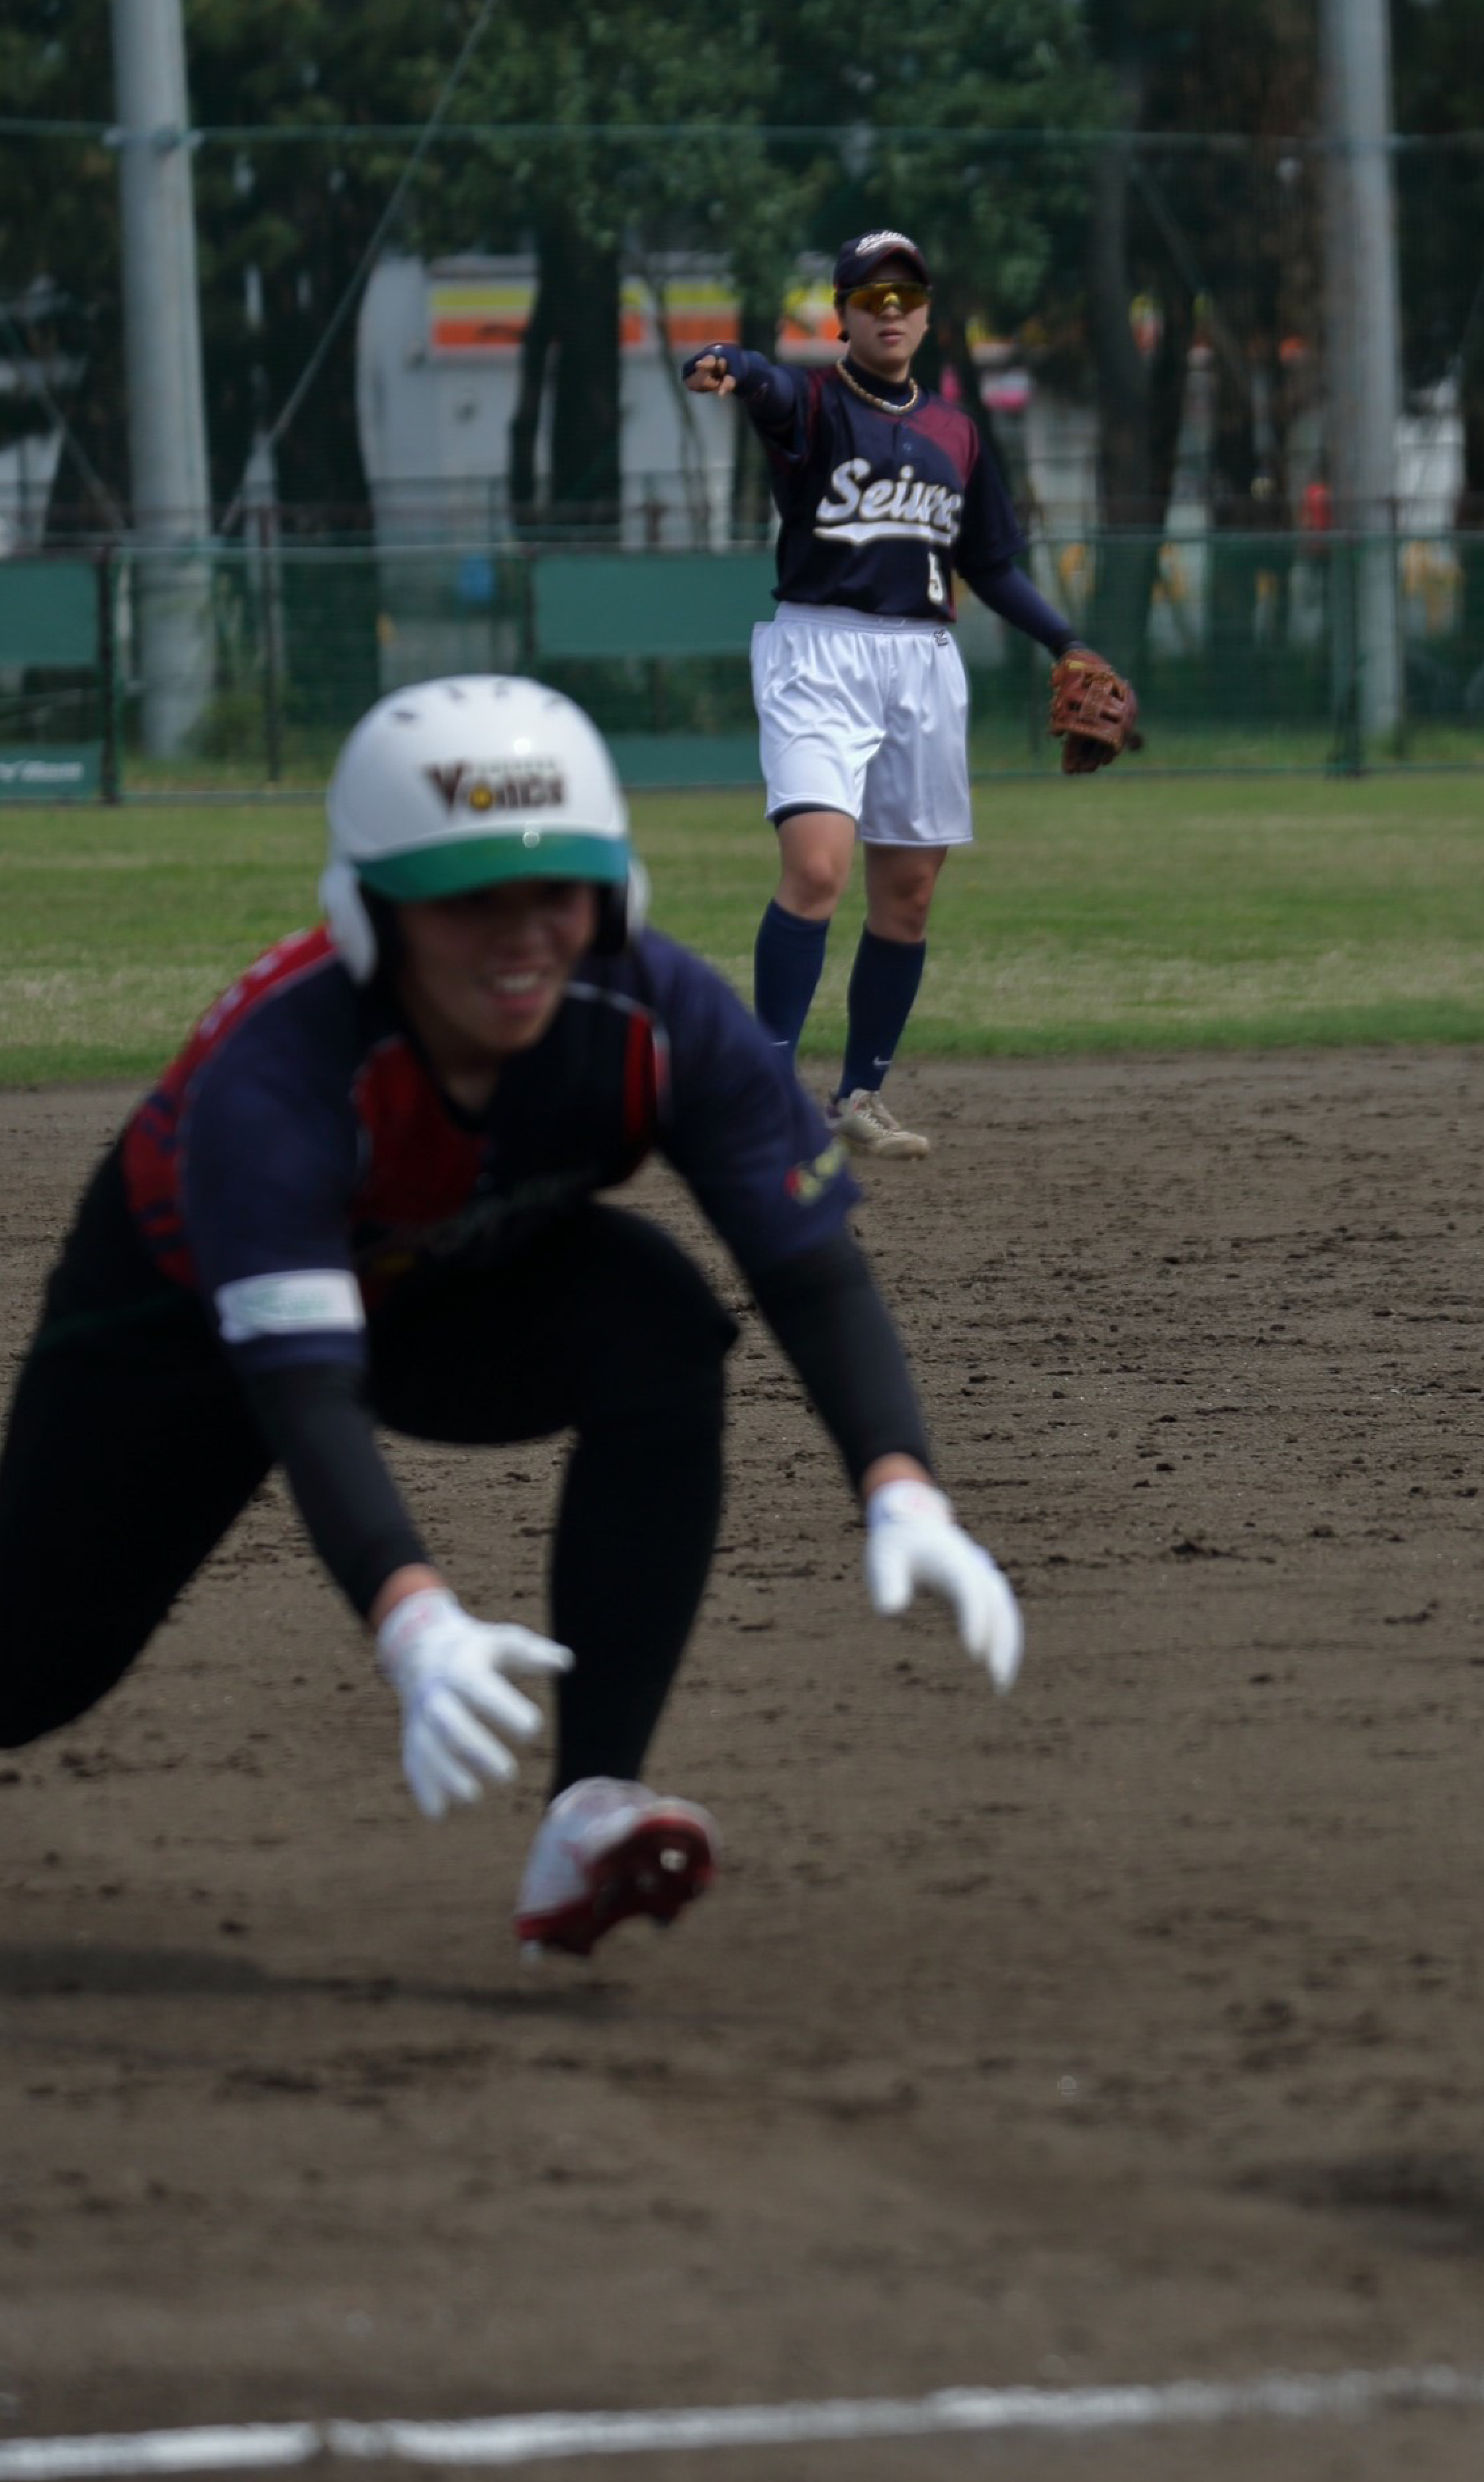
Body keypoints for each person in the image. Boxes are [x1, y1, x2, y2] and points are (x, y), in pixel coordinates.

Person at [0, 676, 1024, 1957]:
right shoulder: (280, 1076)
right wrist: (414, 1618)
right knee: (33, 1674)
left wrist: (902, 1483)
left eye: (556, 891)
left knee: (655, 1319)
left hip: (441, 1278)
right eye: (469, 899)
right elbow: (300, 1390)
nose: (522, 936)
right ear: (375, 911)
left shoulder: (655, 1015)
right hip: (179, 1324)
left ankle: (591, 1811)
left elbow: (808, 1270)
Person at [686, 227, 1121, 1160]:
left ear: (928, 313)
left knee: (910, 894)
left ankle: (858, 1096)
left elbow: (990, 564)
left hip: (924, 660)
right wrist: (729, 359)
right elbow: (764, 381)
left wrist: (1066, 640)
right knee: (816, 867)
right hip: (820, 649)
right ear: (843, 314)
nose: (892, 311)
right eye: (871, 297)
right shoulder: (812, 403)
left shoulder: (957, 431)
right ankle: (763, 1089)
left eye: (907, 296)